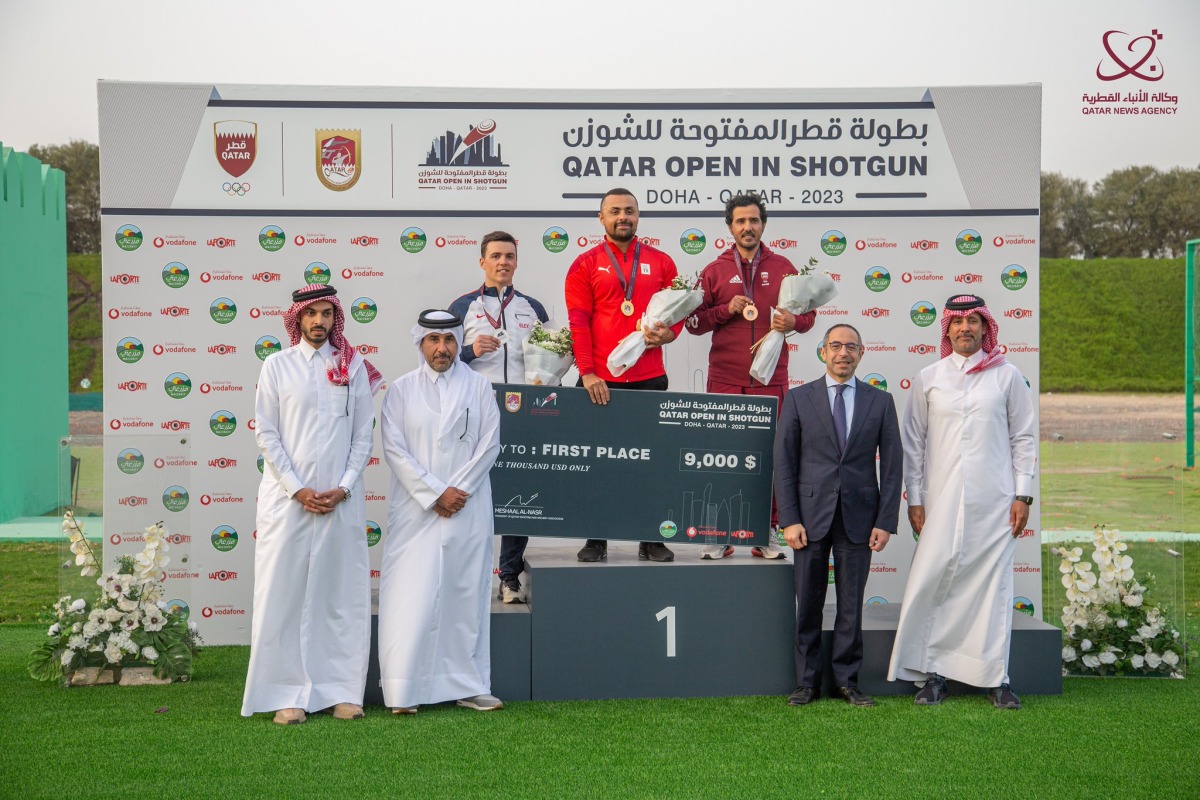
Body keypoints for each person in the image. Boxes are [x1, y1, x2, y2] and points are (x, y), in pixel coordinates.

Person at [241, 283, 382, 725]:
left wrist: (342, 486)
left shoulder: (352, 366)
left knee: (339, 594)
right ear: (297, 319)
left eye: (326, 314)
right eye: (311, 314)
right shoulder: (277, 365)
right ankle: (287, 694)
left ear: (336, 318)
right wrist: (297, 489)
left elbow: (363, 434)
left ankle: (341, 691)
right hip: (288, 502)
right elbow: (267, 433)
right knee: (284, 595)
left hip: (341, 501)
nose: (318, 321)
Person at [887, 294, 1036, 709]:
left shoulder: (1007, 377)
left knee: (993, 589)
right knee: (937, 583)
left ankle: (996, 679)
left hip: (998, 504)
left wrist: (1023, 494)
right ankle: (933, 676)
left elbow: (1023, 439)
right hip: (940, 501)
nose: (965, 328)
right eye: (958, 322)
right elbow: (912, 446)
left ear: (986, 328)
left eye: (973, 321)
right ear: (947, 329)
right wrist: (914, 500)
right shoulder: (929, 377)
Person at [378, 309, 503, 714]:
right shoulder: (400, 390)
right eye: (433, 340)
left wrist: (458, 491)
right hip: (417, 509)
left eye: (449, 340)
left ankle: (469, 684)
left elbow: (489, 444)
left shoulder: (479, 386)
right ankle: (403, 691)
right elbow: (394, 449)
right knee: (410, 596)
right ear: (420, 344)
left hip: (468, 505)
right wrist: (435, 493)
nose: (442, 348)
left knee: (464, 592)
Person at [774, 323, 901, 707]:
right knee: (808, 604)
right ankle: (807, 682)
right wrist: (789, 519)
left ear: (861, 353)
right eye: (835, 346)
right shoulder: (798, 399)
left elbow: (893, 467)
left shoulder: (880, 401)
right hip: (808, 520)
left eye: (850, 347)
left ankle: (847, 681)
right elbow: (784, 463)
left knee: (851, 606)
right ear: (822, 352)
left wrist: (885, 521)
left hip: (860, 520)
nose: (843, 353)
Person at [687, 192, 818, 559]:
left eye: (754, 220)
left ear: (763, 224)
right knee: (721, 456)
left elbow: (808, 318)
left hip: (770, 379)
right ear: (730, 227)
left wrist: (795, 321)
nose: (748, 227)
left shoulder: (784, 267)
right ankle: (720, 532)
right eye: (741, 221)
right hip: (726, 378)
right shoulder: (713, 271)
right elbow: (693, 324)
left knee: (772, 457)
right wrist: (723, 311)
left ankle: (766, 531)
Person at [564, 187, 683, 563]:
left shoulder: (662, 262)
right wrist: (586, 373)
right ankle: (596, 536)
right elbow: (578, 324)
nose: (623, 217)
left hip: (650, 376)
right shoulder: (584, 264)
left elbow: (675, 318)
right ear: (601, 218)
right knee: (598, 462)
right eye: (614, 211)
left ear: (638, 216)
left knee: (653, 461)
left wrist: (670, 334)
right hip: (601, 380)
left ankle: (651, 537)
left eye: (629, 211)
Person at [449, 231, 549, 604]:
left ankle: (509, 577)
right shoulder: (462, 307)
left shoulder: (533, 308)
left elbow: (546, 360)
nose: (503, 262)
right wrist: (470, 351)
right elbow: (441, 363)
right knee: (469, 491)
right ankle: (466, 576)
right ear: (482, 262)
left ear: (516, 262)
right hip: (475, 411)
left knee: (519, 495)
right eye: (495, 256)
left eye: (509, 256)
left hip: (522, 413)